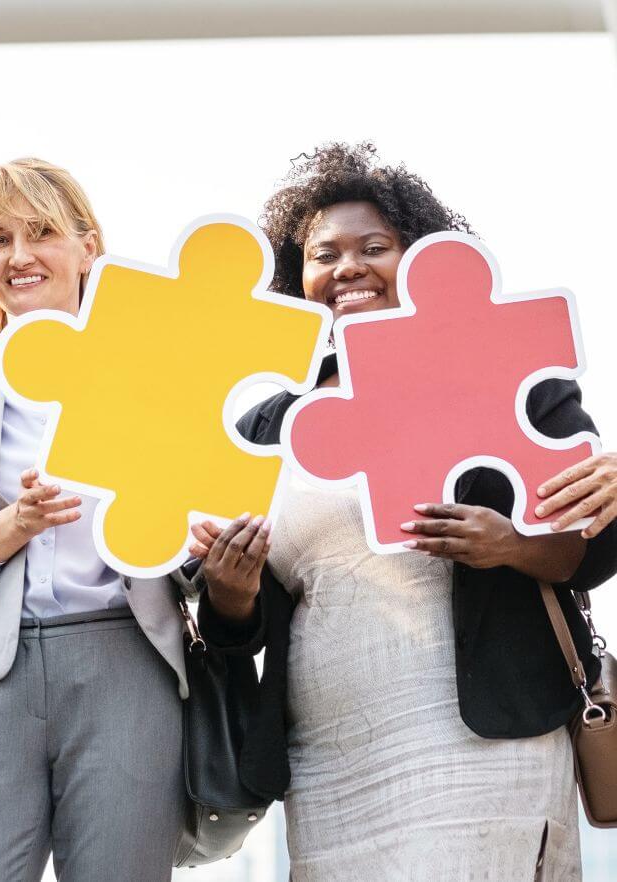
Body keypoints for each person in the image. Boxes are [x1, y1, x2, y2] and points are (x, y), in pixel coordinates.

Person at [190, 142, 617, 879]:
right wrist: (229, 594)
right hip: (326, 760)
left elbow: (595, 545)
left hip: (484, 746)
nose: (347, 267)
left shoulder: (508, 372)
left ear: (420, 260)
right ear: (299, 278)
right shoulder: (266, 427)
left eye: (374, 247)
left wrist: (509, 544)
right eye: (324, 254)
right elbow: (236, 622)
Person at [0, 158, 188, 882]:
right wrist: (8, 527)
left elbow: (193, 535)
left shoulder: (155, 381)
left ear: (89, 247)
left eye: (42, 233)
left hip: (127, 663)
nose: (18, 257)